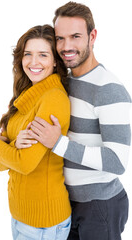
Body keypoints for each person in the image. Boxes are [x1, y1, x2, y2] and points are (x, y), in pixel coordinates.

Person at [16, 2, 131, 240]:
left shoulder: (109, 89)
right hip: (66, 204)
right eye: (60, 38)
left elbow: (118, 161)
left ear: (92, 36)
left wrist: (58, 143)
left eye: (75, 36)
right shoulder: (63, 81)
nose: (66, 46)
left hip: (99, 206)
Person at [0, 25, 72, 240]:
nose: (34, 62)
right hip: (21, 216)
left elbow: (24, 164)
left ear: (55, 61)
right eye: (28, 54)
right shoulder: (26, 96)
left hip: (44, 223)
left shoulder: (53, 98)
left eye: (43, 55)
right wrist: (14, 147)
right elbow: (0, 165)